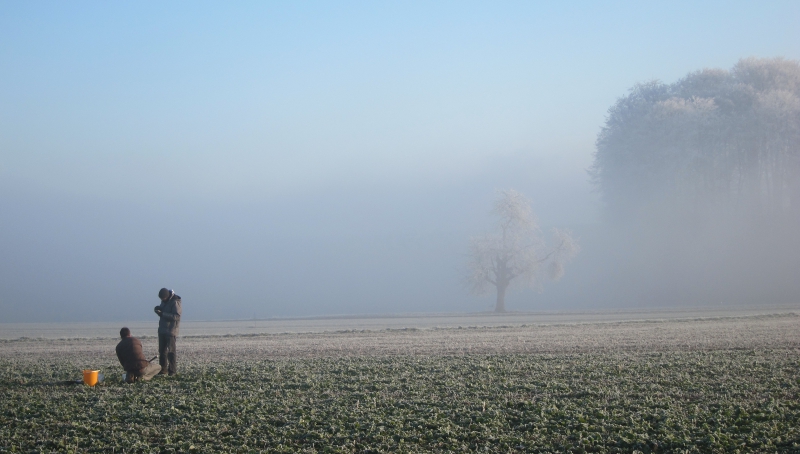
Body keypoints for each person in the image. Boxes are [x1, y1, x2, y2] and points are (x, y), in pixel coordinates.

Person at [154, 287, 182, 376]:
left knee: (171, 352)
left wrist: (163, 314)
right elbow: (163, 313)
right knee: (162, 352)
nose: (162, 300)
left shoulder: (175, 302)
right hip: (162, 330)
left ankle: (172, 371)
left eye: (163, 298)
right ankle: (163, 370)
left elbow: (177, 316)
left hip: (171, 331)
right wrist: (158, 309)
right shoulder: (164, 302)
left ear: (167, 296)